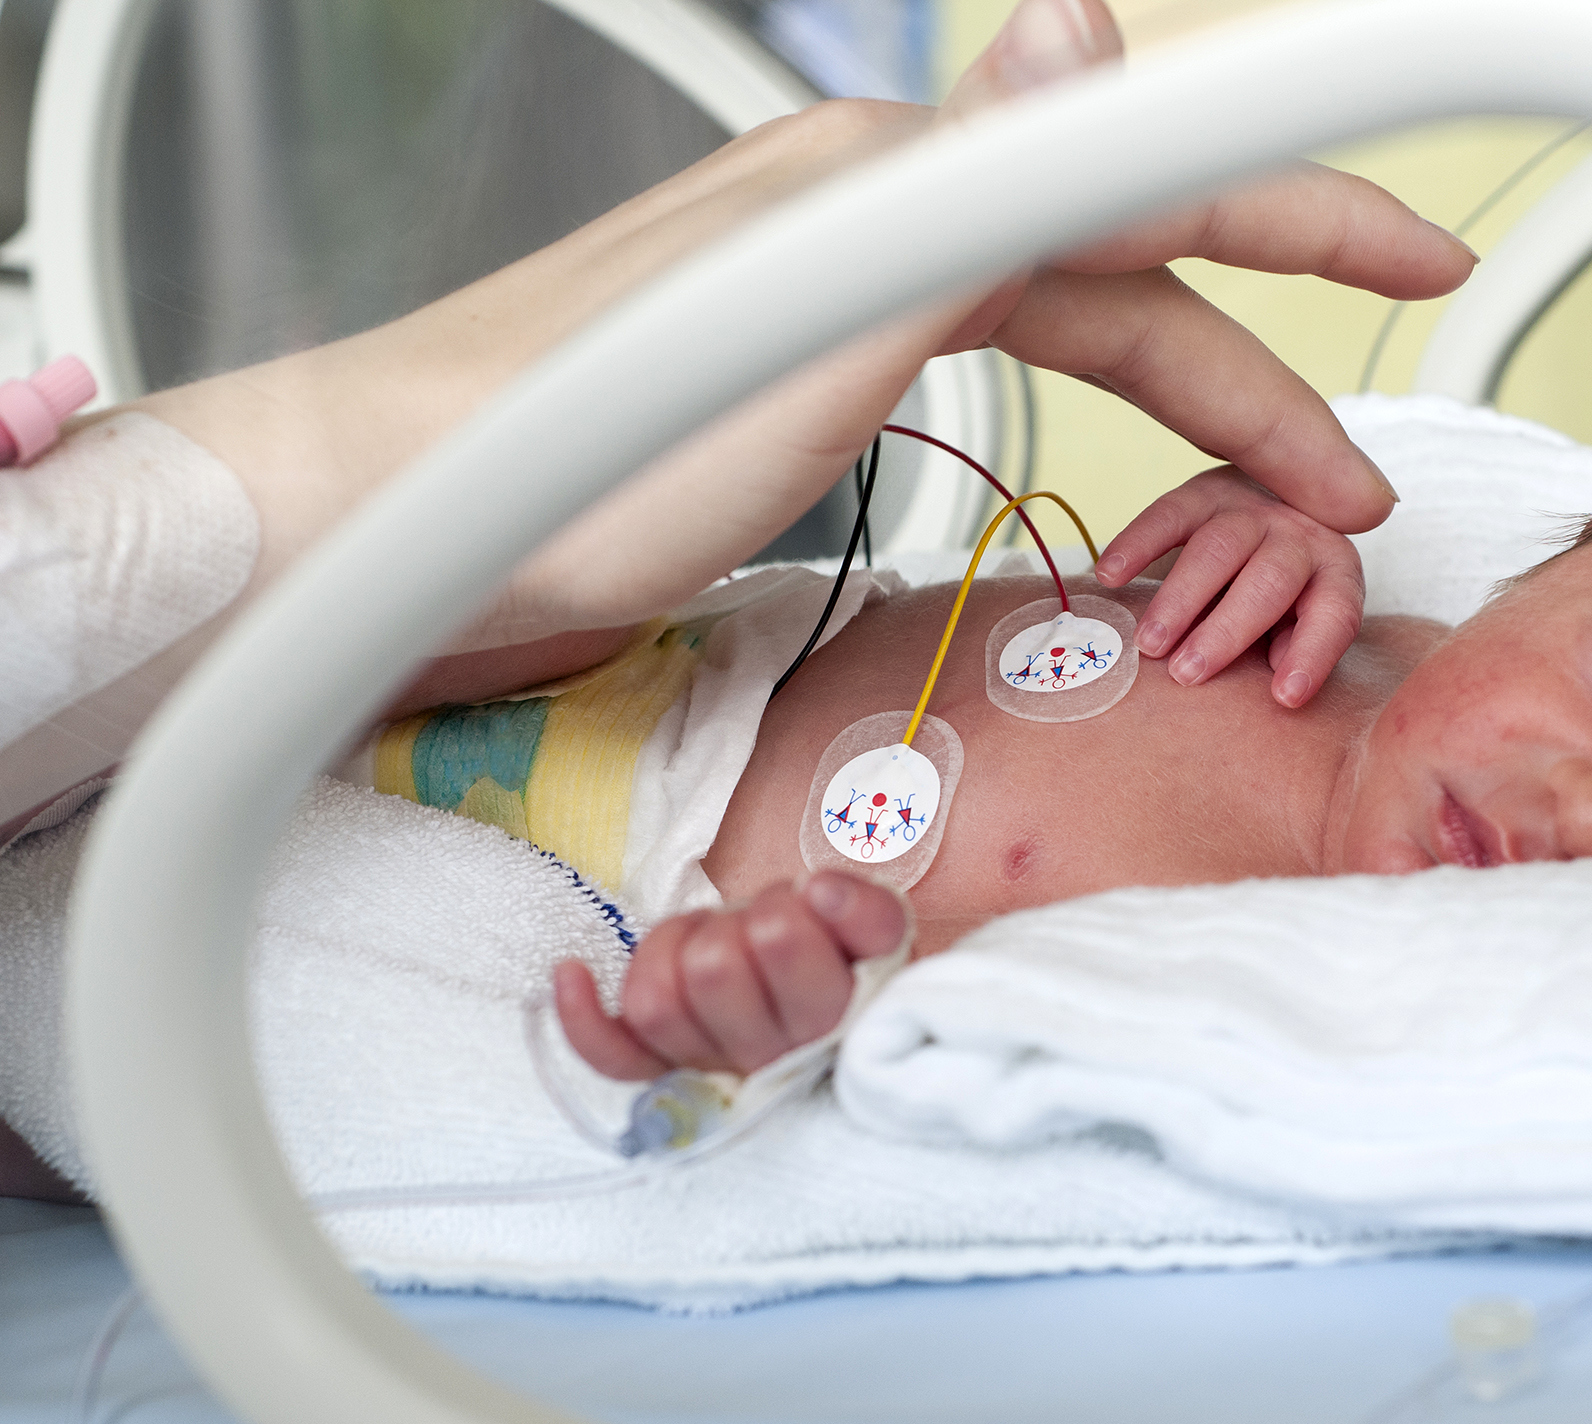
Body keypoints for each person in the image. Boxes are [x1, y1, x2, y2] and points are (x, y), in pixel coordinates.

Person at [0, 0, 1473, 1201]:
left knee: (345, 1010)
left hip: (547, 913)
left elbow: (970, 1061)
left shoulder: (1388, 943)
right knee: (537, 603)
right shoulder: (1396, 636)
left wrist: (744, 1025)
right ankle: (130, 560)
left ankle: (130, 566)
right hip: (612, 671)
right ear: (1576, 568)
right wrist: (1261, 537)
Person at [537, 463, 1592, 1082]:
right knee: (518, 498)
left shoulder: (1278, 946)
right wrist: (1242, 525)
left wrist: (788, 1001)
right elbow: (1115, 581)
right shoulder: (1359, 619)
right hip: (705, 622)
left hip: (599, 814)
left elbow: (944, 990)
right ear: (1545, 574)